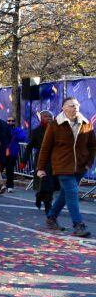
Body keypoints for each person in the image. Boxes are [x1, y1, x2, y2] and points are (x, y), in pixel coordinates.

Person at [37, 97, 94, 237]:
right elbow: (45, 147)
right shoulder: (55, 125)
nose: (75, 108)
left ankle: (51, 218)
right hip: (62, 165)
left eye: (77, 105)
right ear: (63, 108)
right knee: (73, 192)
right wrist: (40, 168)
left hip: (80, 167)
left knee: (65, 194)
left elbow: (93, 146)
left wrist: (88, 164)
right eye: (72, 105)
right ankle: (78, 224)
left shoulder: (86, 124)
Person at [25, 110, 56, 213]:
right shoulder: (36, 131)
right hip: (41, 161)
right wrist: (23, 161)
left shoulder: (57, 130)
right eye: (47, 117)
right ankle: (39, 195)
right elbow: (28, 147)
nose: (49, 119)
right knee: (43, 184)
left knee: (50, 185)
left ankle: (48, 206)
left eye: (51, 117)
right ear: (42, 118)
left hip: (54, 161)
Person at [0, 118, 27, 194]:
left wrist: (14, 133)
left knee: (10, 170)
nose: (11, 122)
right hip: (2, 152)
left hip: (12, 153)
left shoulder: (17, 130)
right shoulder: (3, 129)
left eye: (12, 121)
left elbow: (23, 137)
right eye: (9, 121)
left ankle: (9, 186)